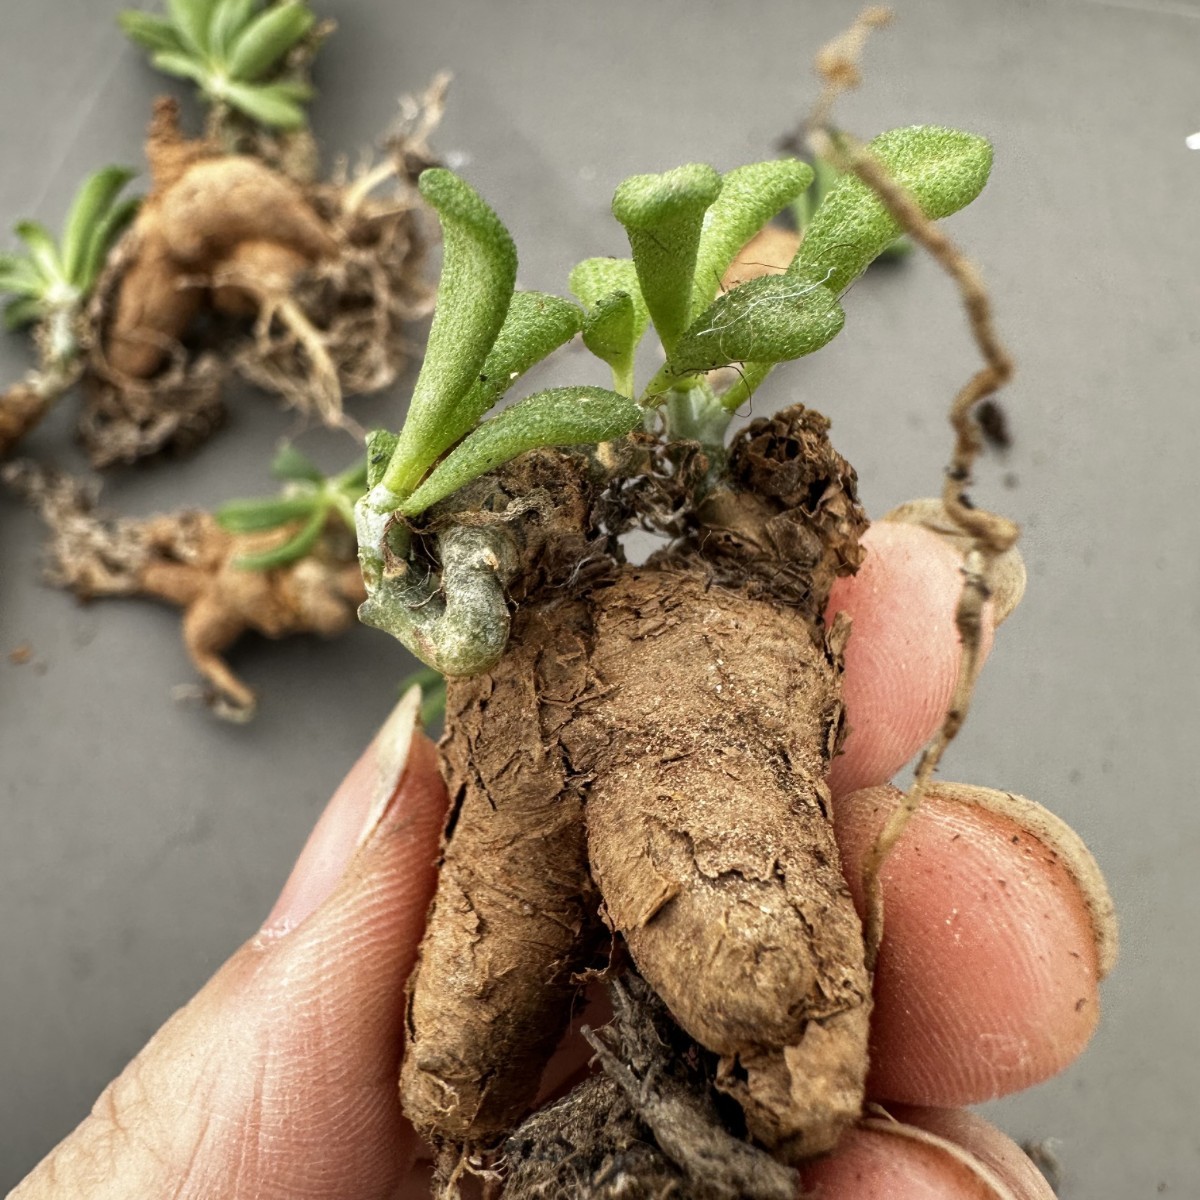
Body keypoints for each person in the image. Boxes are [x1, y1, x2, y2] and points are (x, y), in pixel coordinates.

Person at [11, 522, 1108, 1199]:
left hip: (709, 653)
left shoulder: (728, 618)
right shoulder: (515, 667)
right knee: (459, 1069)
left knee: (765, 998)